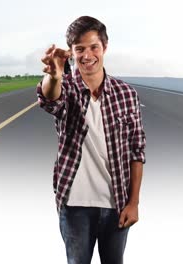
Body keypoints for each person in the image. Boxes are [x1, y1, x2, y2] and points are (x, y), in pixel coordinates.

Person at [36, 16, 146, 264]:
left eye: (93, 47)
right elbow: (50, 99)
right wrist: (54, 75)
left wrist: (134, 202)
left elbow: (137, 151)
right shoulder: (67, 87)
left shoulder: (126, 94)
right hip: (74, 206)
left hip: (116, 203)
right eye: (80, 49)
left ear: (104, 47)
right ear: (72, 54)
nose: (87, 55)